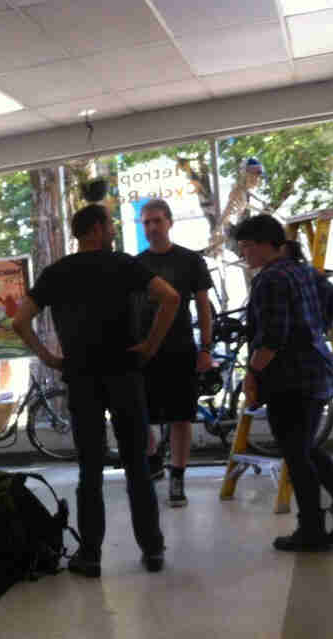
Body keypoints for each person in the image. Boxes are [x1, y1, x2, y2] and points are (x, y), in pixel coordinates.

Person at [13, 204, 181, 576]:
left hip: (82, 379)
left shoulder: (56, 273)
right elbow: (170, 298)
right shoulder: (124, 265)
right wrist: (150, 346)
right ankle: (152, 551)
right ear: (96, 229)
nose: (112, 231)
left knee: (89, 469)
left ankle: (90, 555)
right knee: (137, 464)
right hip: (124, 374)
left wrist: (49, 356)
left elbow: (20, 320)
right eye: (108, 225)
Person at [235, 214, 333, 551]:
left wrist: (252, 375)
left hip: (289, 379)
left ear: (267, 244)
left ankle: (315, 527)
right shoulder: (303, 271)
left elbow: (271, 338)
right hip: (314, 371)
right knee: (303, 448)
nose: (244, 255)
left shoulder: (269, 280)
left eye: (247, 247)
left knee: (297, 453)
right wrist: (311, 328)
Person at [136, 199, 215, 507]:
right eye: (147, 223)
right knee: (141, 414)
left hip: (181, 348)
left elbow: (203, 306)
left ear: (169, 222)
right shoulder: (136, 264)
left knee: (182, 417)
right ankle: (154, 455)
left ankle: (178, 477)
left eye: (157, 221)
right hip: (146, 352)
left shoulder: (190, 260)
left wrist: (205, 347)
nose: (152, 227)